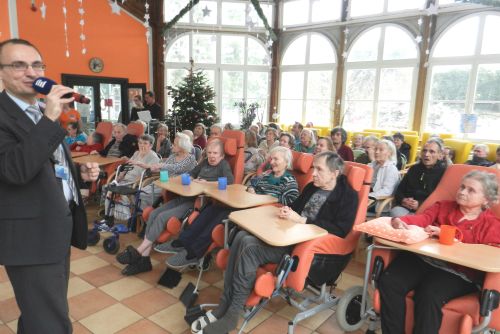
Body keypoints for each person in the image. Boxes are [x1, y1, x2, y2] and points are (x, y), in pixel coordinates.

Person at [194, 152, 359, 334]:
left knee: (249, 247)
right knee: (242, 237)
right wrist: (286, 211)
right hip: (287, 237)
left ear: (335, 173)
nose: (313, 174)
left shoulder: (348, 196)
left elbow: (340, 230)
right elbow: (295, 208)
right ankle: (224, 304)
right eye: (313, 168)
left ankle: (231, 314)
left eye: (319, 169)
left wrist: (302, 220)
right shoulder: (312, 187)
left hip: (305, 250)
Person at [0, 38, 100, 334]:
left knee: (39, 314)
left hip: (54, 229)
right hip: (30, 239)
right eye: (18, 65)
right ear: (1, 72)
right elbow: (15, 170)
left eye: (36, 65)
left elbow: (44, 163)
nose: (31, 72)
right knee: (51, 323)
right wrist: (50, 117)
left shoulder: (39, 113)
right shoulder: (31, 116)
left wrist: (79, 174)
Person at [379, 170, 500, 334]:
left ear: (485, 199)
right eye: (462, 187)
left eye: (471, 190)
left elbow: (493, 253)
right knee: (390, 281)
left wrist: (450, 234)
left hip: (459, 272)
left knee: (429, 294)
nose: (462, 192)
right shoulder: (443, 206)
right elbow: (422, 219)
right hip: (425, 259)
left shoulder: (491, 224)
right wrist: (400, 220)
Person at [163, 146, 300, 269]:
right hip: (248, 205)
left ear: (286, 162)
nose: (272, 162)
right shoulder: (267, 174)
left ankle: (193, 253)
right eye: (271, 159)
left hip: (260, 213)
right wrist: (252, 189)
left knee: (221, 217)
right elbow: (252, 184)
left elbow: (291, 201)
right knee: (212, 208)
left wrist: (264, 196)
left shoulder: (289, 180)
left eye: (276, 159)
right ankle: (183, 241)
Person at [116, 139, 233, 275]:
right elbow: (192, 173)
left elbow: (229, 181)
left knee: (162, 217)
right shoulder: (205, 162)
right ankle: (144, 259)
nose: (212, 156)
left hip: (198, 202)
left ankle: (139, 251)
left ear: (222, 156)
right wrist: (190, 177)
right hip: (185, 195)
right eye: (210, 152)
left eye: (216, 153)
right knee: (154, 213)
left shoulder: (223, 165)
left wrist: (207, 183)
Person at [101, 134, 160, 222]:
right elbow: (127, 166)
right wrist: (118, 178)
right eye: (140, 143)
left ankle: (120, 215)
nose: (142, 145)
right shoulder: (136, 153)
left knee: (114, 191)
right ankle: (108, 217)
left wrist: (134, 180)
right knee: (109, 188)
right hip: (125, 180)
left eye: (145, 143)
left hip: (136, 183)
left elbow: (151, 172)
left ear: (151, 145)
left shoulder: (153, 157)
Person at [135, 132, 197, 208]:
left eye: (174, 144)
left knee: (142, 195)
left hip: (176, 188)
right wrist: (151, 167)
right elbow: (162, 169)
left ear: (182, 146)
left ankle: (147, 213)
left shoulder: (190, 158)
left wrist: (161, 165)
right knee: (139, 192)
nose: (171, 146)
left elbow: (177, 167)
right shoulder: (173, 156)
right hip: (164, 183)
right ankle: (143, 215)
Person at [391, 139, 447, 217]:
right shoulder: (413, 169)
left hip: (428, 211)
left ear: (440, 155)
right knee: (395, 212)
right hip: (406, 209)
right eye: (424, 151)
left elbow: (442, 199)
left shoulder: (444, 173)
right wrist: (403, 200)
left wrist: (420, 204)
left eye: (432, 151)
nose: (426, 154)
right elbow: (399, 190)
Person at [368, 139, 400, 213]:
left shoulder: (391, 169)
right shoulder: (373, 164)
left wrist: (368, 196)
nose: (376, 152)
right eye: (376, 149)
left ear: (390, 153)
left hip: (377, 202)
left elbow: (387, 191)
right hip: (368, 196)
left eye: (381, 150)